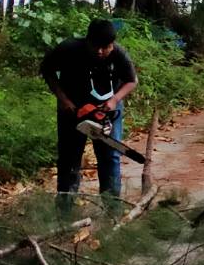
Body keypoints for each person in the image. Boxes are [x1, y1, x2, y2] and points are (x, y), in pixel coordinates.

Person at [40, 18, 137, 201]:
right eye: (95, 46)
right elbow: (47, 71)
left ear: (112, 44)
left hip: (106, 110)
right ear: (88, 41)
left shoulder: (119, 54)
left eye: (105, 47)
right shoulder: (68, 49)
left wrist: (115, 99)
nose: (100, 51)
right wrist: (63, 99)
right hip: (73, 110)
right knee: (69, 159)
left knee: (110, 157)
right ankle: (65, 209)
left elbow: (132, 81)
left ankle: (111, 206)